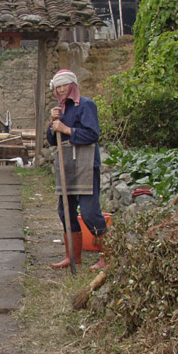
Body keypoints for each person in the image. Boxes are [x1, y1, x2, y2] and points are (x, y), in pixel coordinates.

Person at [46, 69, 108, 270]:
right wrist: (52, 123)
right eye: (58, 86)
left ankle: (109, 255)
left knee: (89, 212)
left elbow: (92, 134)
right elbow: (51, 140)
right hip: (66, 164)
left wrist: (65, 129)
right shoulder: (59, 110)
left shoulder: (87, 105)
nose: (61, 89)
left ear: (73, 86)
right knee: (65, 211)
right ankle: (72, 256)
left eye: (65, 85)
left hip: (86, 163)